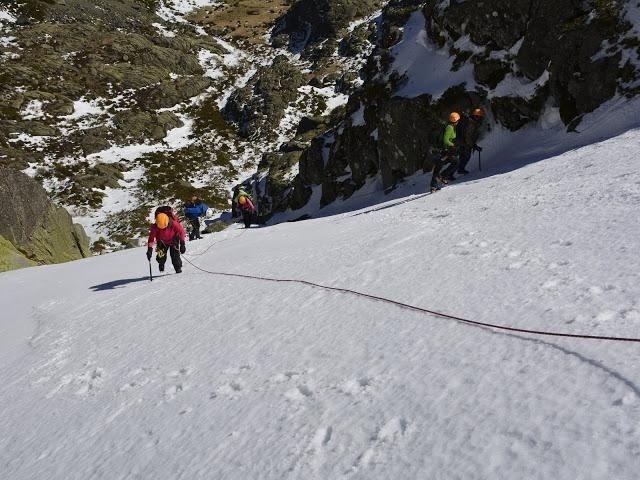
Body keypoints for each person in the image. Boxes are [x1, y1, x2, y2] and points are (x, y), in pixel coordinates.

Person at [146, 206, 186, 273]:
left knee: (175, 256)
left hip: (173, 240)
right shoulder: (155, 227)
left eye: (164, 227)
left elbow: (181, 232)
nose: (163, 229)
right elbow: (151, 238)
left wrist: (182, 244)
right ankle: (161, 264)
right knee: (161, 256)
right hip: (161, 242)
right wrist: (149, 249)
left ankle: (178, 269)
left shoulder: (173, 223)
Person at [431, 111, 460, 192]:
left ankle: (435, 185)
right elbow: (445, 140)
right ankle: (442, 177)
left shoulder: (448, 126)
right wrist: (452, 144)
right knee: (455, 162)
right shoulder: (450, 128)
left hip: (442, 150)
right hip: (444, 151)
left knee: (439, 167)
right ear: (456, 121)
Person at [457, 108, 485, 175]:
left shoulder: (470, 122)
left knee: (463, 157)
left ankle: (458, 170)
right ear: (477, 116)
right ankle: (460, 169)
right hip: (465, 144)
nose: (480, 118)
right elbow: (468, 137)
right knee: (466, 156)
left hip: (462, 142)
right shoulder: (471, 124)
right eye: (480, 117)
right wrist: (474, 146)